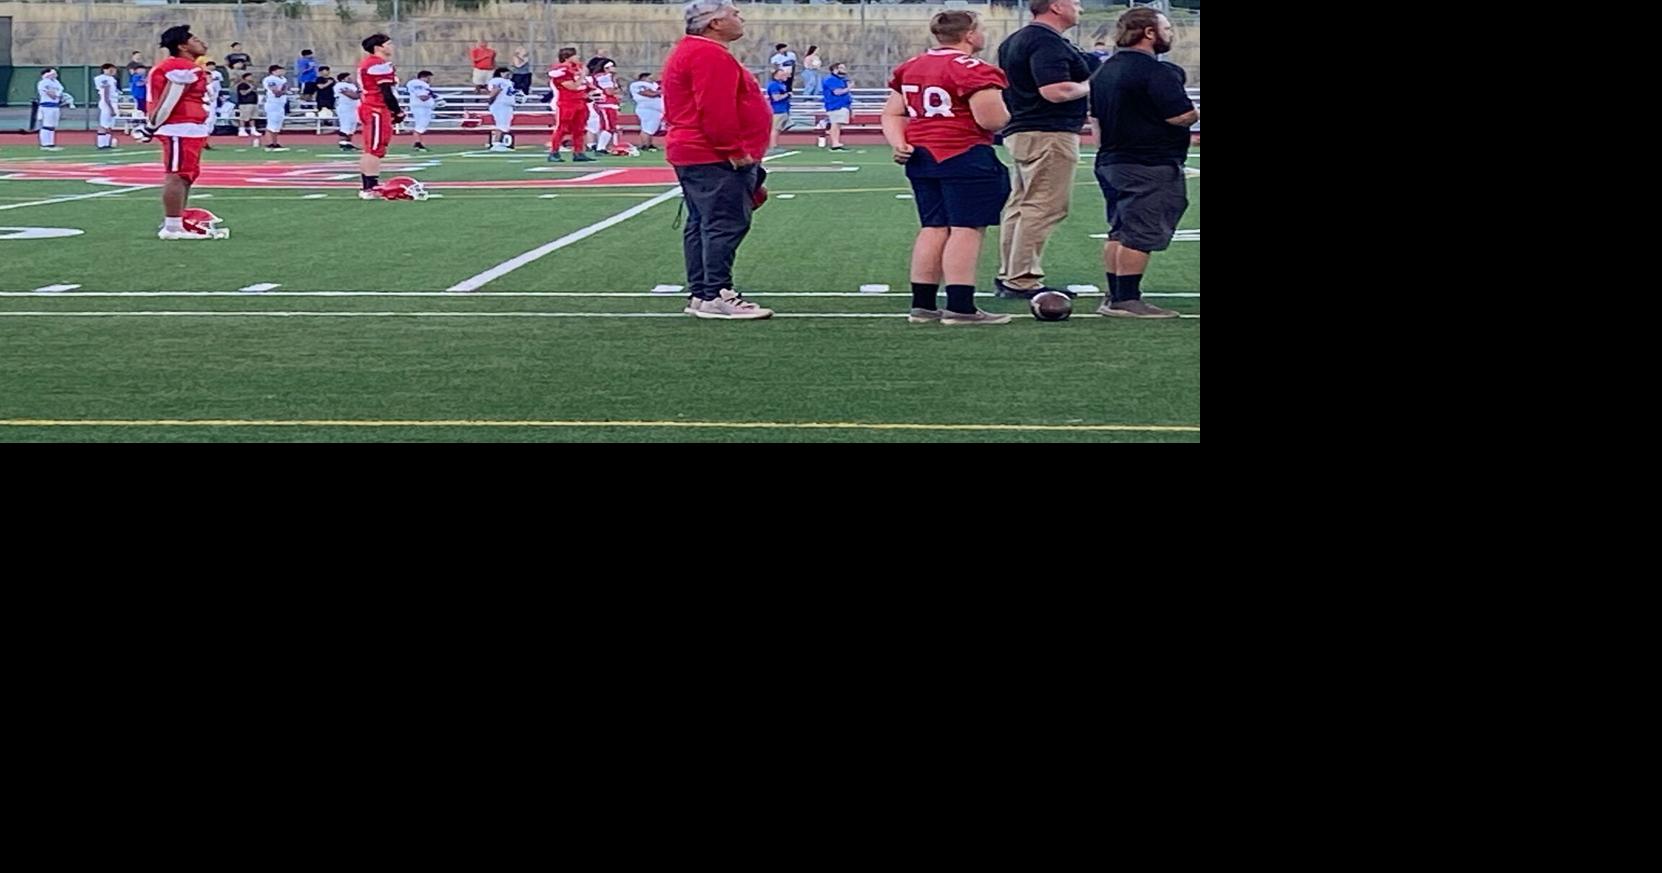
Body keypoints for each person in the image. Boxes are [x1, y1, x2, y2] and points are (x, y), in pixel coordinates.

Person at [881, 9, 1013, 325]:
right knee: (966, 228)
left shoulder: (912, 65)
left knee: (933, 227)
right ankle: (960, 306)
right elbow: (990, 120)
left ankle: (923, 304)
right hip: (963, 152)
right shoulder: (976, 69)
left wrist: (899, 143)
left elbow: (892, 113)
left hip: (921, 155)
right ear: (969, 34)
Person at [661, 0, 775, 319]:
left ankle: (703, 292)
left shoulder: (693, 51)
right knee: (724, 222)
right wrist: (735, 150)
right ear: (715, 23)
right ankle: (717, 293)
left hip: (697, 151)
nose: (741, 19)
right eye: (734, 14)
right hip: (711, 153)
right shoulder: (708, 54)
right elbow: (715, 108)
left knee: (703, 222)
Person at [1088, 6, 1195, 318]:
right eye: (1166, 28)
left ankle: (1114, 293)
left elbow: (1094, 119)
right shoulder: (1157, 71)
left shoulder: (1103, 70)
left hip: (1112, 159)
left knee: (1119, 229)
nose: (1170, 33)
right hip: (1149, 162)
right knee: (1142, 232)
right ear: (1149, 32)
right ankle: (1128, 299)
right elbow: (1181, 115)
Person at [993, 0, 1091, 299]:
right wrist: (1092, 84)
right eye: (1075, 3)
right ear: (1057, 6)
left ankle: (1010, 272)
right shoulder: (1044, 42)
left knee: (1021, 205)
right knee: (1044, 206)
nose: (1080, 9)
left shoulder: (1017, 40)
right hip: (1048, 131)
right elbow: (1055, 90)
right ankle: (1021, 278)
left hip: (1025, 129)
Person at [132, 25, 222, 240]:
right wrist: (150, 127)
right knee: (177, 175)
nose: (202, 43)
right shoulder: (181, 68)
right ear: (182, 46)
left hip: (188, 128)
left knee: (186, 175)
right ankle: (172, 227)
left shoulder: (185, 66)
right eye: (196, 39)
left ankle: (178, 221)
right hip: (179, 127)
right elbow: (168, 101)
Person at [355, 33, 405, 199]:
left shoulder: (370, 63)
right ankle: (371, 187)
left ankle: (367, 187)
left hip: (370, 106)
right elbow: (386, 92)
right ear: (379, 47)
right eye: (388, 44)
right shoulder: (379, 65)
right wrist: (397, 111)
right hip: (376, 108)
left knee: (370, 148)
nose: (392, 46)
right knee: (375, 149)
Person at [547, 47, 593, 162]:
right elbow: (572, 86)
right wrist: (582, 76)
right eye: (575, 55)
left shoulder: (577, 68)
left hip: (580, 102)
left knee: (580, 129)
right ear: (567, 57)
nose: (578, 58)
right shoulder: (561, 71)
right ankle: (554, 152)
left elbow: (584, 85)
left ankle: (578, 152)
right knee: (562, 128)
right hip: (566, 103)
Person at [35, 69, 72, 150]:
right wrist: (58, 94)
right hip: (47, 107)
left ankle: (51, 144)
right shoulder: (43, 82)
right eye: (53, 73)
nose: (55, 75)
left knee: (52, 126)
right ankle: (45, 144)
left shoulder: (56, 82)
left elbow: (59, 93)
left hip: (55, 106)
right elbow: (52, 94)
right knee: (46, 125)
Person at [628, 72, 663, 151]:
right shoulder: (638, 85)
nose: (651, 80)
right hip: (646, 109)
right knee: (646, 128)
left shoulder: (653, 85)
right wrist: (661, 91)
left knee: (652, 128)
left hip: (655, 110)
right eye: (649, 78)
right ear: (643, 78)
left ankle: (649, 144)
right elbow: (648, 93)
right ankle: (644, 145)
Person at [822, 61, 851, 150]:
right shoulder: (830, 79)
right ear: (835, 69)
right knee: (835, 123)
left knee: (838, 124)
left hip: (842, 104)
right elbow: (837, 92)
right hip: (835, 104)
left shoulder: (841, 79)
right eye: (841, 68)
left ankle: (837, 142)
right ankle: (835, 143)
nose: (844, 70)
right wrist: (849, 87)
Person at [486, 65, 517, 151]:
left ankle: (501, 142)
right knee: (501, 124)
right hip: (500, 105)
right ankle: (496, 143)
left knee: (505, 125)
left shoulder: (508, 82)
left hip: (506, 105)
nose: (508, 74)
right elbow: (496, 89)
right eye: (506, 72)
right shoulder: (498, 80)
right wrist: (490, 100)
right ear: (501, 73)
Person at [406, 70, 437, 152]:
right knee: (420, 125)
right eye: (428, 78)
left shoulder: (420, 85)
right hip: (421, 107)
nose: (429, 80)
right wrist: (432, 95)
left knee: (422, 125)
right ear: (424, 77)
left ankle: (419, 143)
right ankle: (417, 144)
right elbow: (422, 97)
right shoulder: (418, 84)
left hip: (422, 107)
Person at [261, 64, 289, 151]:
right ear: (273, 71)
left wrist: (284, 90)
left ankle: (275, 142)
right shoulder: (270, 79)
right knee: (271, 123)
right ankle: (269, 143)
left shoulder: (283, 79)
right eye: (279, 70)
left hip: (280, 104)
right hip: (272, 103)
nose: (282, 72)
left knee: (277, 124)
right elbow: (276, 92)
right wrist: (284, 91)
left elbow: (285, 88)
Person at [95, 63, 121, 150]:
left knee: (110, 124)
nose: (113, 71)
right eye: (111, 70)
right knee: (104, 124)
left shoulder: (112, 79)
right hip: (107, 103)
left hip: (113, 101)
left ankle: (107, 143)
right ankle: (101, 144)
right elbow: (106, 93)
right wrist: (111, 107)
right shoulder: (102, 78)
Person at [766, 66, 791, 155]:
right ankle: (773, 146)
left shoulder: (782, 84)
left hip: (783, 109)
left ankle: (775, 144)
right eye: (782, 74)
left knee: (779, 128)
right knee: (775, 129)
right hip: (777, 110)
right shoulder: (774, 85)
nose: (784, 76)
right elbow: (776, 98)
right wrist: (787, 95)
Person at [334, 71, 361, 151]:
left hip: (353, 108)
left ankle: (348, 144)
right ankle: (342, 144)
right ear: (343, 79)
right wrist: (361, 92)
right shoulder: (340, 85)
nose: (351, 78)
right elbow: (354, 96)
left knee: (352, 126)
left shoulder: (352, 85)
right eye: (348, 77)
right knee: (345, 126)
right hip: (345, 108)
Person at [234, 72, 259, 140]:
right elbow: (243, 93)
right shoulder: (242, 85)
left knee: (252, 117)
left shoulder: (252, 84)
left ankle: (253, 129)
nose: (252, 78)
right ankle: (242, 130)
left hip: (253, 102)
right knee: (243, 117)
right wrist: (250, 89)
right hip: (245, 103)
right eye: (250, 77)